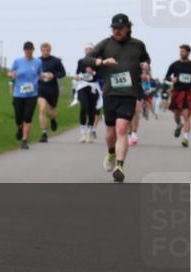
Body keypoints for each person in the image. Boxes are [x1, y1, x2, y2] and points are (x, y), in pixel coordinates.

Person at [80, 14, 151, 182]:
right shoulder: (105, 44)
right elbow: (86, 60)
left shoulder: (138, 45)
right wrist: (102, 62)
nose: (116, 31)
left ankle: (119, 166)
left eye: (119, 28)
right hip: (110, 93)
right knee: (110, 132)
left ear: (128, 27)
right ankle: (111, 152)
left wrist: (146, 64)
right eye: (114, 28)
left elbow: (146, 58)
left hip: (129, 93)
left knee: (121, 129)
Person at [165, 44, 191, 147]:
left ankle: (185, 138)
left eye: (183, 51)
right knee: (176, 115)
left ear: (189, 53)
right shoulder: (174, 65)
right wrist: (171, 79)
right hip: (177, 92)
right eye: (180, 51)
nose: (181, 53)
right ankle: (178, 125)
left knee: (186, 116)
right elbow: (167, 76)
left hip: (188, 93)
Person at [10, 41, 42, 150]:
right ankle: (20, 128)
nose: (28, 51)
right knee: (18, 117)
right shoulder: (17, 61)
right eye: (26, 49)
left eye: (30, 49)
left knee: (28, 117)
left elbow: (40, 74)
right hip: (18, 93)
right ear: (24, 50)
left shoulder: (38, 62)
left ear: (33, 50)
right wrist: (12, 74)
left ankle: (24, 140)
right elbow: (10, 73)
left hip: (32, 94)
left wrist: (46, 77)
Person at [36, 43, 67, 142]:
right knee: (42, 109)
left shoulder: (56, 61)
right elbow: (33, 73)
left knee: (52, 111)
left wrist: (54, 75)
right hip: (41, 88)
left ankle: (53, 119)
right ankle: (44, 133)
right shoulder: (37, 61)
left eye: (47, 50)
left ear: (50, 50)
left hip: (52, 89)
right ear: (41, 50)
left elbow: (63, 73)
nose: (45, 52)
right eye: (43, 50)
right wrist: (37, 76)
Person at [73, 43, 101, 143]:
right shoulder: (81, 61)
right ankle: (82, 133)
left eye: (90, 49)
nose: (88, 51)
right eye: (86, 49)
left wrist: (93, 73)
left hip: (93, 87)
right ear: (84, 50)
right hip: (82, 86)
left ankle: (89, 132)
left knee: (91, 110)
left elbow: (101, 75)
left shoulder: (97, 62)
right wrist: (76, 77)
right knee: (84, 107)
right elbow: (77, 73)